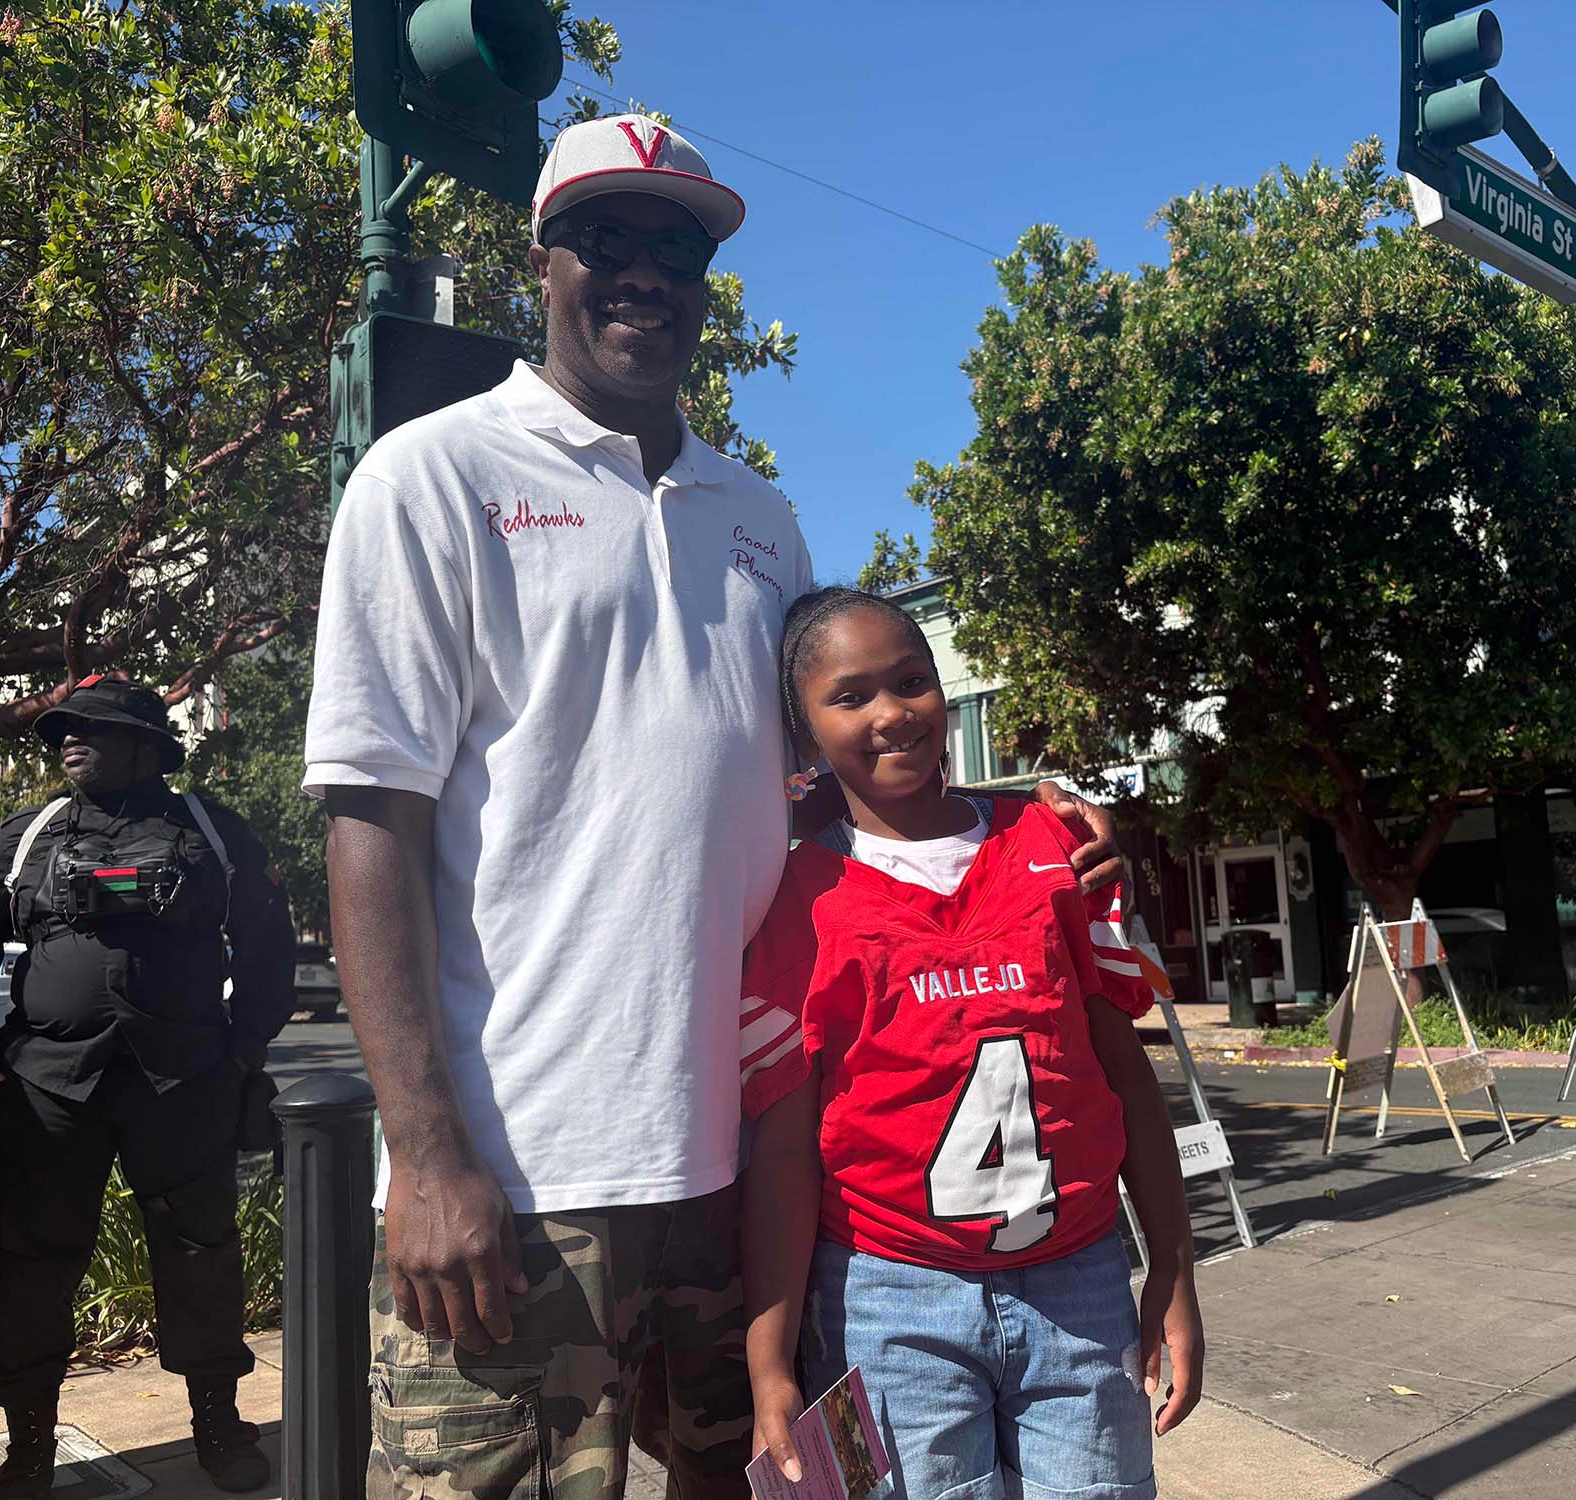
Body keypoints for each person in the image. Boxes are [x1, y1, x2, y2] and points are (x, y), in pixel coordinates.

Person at [305, 114, 1119, 1500]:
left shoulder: (759, 518)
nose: (644, 274)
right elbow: (370, 823)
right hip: (520, 1175)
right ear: (543, 261)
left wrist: (1011, 815)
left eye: (676, 249)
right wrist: (428, 1154)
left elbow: (818, 781)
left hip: (748, 1162)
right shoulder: (433, 477)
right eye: (606, 239)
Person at [741, 588, 1205, 1500]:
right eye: (851, 696)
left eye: (911, 681)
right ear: (804, 733)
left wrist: (1175, 1267)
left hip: (1079, 1278)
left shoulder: (1057, 848)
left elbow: (1123, 1074)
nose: (891, 714)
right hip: (887, 1300)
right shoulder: (796, 898)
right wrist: (770, 1364)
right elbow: (786, 1149)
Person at [0, 674, 296, 1499]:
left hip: (184, 1081)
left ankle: (218, 1421)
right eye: (61, 732)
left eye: (88, 729)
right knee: (33, 1265)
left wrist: (243, 1051)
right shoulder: (29, 834)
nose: (67, 743)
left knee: (200, 1256)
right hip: (49, 1086)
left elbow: (269, 944)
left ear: (146, 747)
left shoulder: (212, 832)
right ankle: (28, 1447)